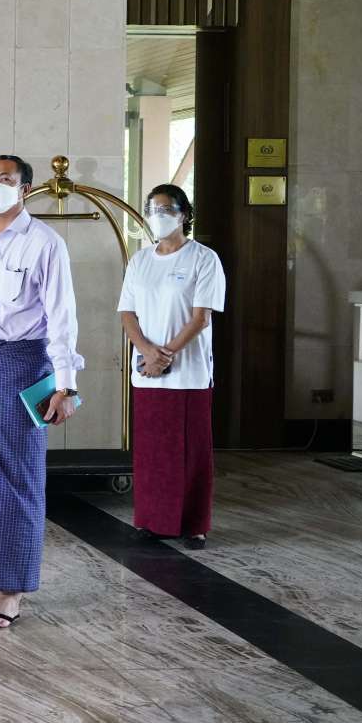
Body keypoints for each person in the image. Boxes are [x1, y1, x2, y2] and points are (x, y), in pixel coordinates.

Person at [0, 155, 82, 629]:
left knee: (18, 475)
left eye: (5, 179)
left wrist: (65, 384)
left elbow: (62, 317)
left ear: (25, 189)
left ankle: (11, 588)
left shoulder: (45, 243)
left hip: (22, 363)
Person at [118, 184, 226, 550]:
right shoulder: (140, 261)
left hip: (188, 372)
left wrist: (166, 355)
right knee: (153, 452)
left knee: (191, 450)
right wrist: (147, 351)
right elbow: (127, 313)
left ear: (184, 214)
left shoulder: (203, 259)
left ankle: (194, 525)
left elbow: (200, 318)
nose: (158, 216)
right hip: (147, 371)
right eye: (153, 210)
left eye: (166, 209)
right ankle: (152, 521)